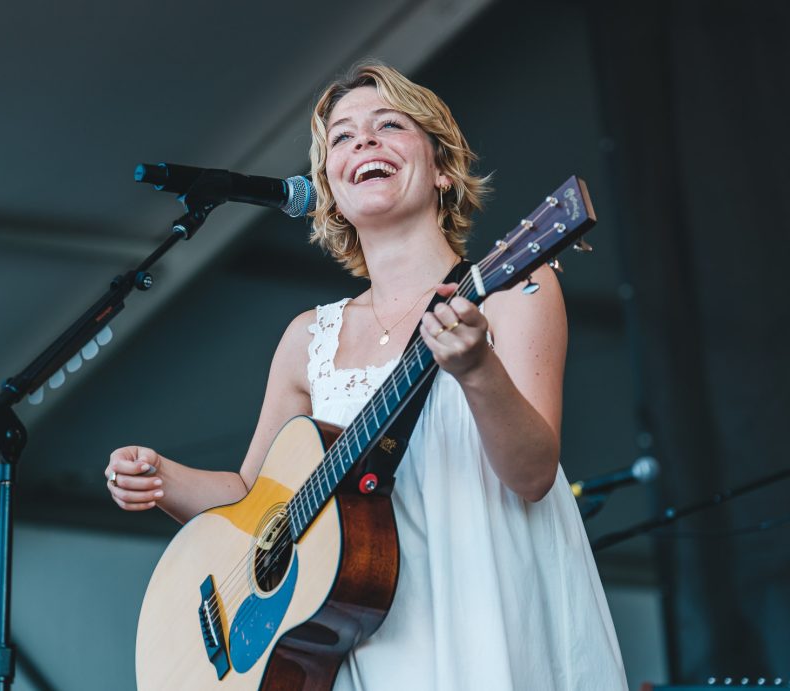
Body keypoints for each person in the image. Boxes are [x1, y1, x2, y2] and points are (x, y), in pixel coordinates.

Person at [105, 61, 628, 690]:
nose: (365, 142)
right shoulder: (308, 338)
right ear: (329, 187)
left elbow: (533, 474)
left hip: (486, 601)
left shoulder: (516, 288)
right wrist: (163, 480)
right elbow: (255, 501)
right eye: (343, 138)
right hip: (355, 630)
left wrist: (477, 369)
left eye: (389, 125)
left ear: (442, 168)